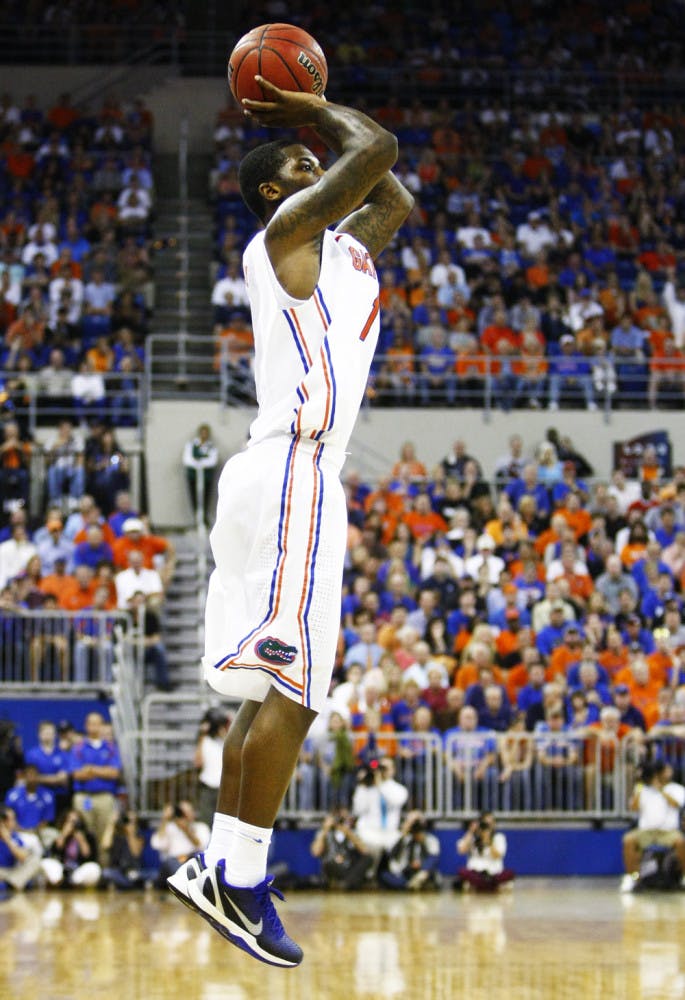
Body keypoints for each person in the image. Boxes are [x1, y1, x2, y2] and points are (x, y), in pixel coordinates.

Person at [167, 76, 413, 967]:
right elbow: (374, 154)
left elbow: (391, 186)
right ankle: (236, 879)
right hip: (293, 469)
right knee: (301, 692)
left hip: (280, 474)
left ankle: (223, 869)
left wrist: (314, 118)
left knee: (275, 687)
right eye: (308, 166)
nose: (327, 169)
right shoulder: (284, 234)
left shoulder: (346, 252)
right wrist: (306, 107)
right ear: (279, 189)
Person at [621, 760, 685, 893]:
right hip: (645, 832)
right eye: (666, 770)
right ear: (657, 773)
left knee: (681, 842)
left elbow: (676, 805)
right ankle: (633, 878)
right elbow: (633, 808)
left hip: (668, 832)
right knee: (628, 840)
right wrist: (639, 787)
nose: (669, 772)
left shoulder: (676, 788)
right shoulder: (642, 789)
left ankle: (684, 877)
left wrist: (660, 789)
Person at [309, 805, 373, 890]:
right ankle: (347, 883)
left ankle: (346, 883)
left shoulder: (352, 833)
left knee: (368, 858)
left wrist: (349, 833)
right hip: (332, 866)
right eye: (339, 818)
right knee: (328, 864)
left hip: (348, 867)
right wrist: (325, 829)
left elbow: (365, 851)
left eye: (345, 818)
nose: (341, 821)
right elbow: (315, 852)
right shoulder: (324, 833)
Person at [377, 809, 441, 890]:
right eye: (411, 822)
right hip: (404, 872)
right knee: (385, 876)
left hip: (423, 872)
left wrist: (422, 865)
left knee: (431, 863)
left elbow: (433, 857)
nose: (414, 825)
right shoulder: (401, 837)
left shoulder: (431, 840)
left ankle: (418, 881)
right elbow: (391, 855)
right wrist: (403, 835)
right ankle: (409, 885)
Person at [454, 811, 514, 892]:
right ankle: (491, 886)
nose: (488, 826)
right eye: (485, 824)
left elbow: (497, 855)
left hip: (493, 874)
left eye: (491, 823)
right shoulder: (473, 837)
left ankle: (479, 886)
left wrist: (489, 841)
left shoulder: (499, 837)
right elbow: (461, 850)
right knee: (462, 871)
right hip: (476, 873)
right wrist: (471, 831)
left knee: (509, 873)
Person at [182, 423, 219, 523]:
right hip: (193, 476)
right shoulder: (191, 445)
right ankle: (196, 519)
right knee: (194, 496)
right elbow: (187, 460)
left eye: (206, 433)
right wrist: (199, 463)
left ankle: (204, 517)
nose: (204, 435)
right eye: (202, 433)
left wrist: (200, 463)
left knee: (206, 497)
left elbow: (212, 461)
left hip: (206, 477)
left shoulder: (211, 446)